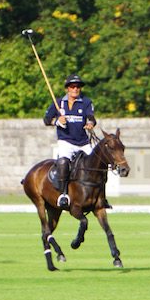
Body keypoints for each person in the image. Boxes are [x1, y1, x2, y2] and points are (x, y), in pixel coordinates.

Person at [43, 74, 96, 209]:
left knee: (96, 164)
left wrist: (90, 124)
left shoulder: (86, 102)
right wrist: (57, 121)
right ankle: (63, 194)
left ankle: (100, 195)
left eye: (78, 87)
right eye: (72, 86)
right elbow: (46, 120)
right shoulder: (59, 103)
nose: (75, 89)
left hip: (83, 142)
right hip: (66, 141)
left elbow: (91, 118)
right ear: (67, 88)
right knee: (63, 162)